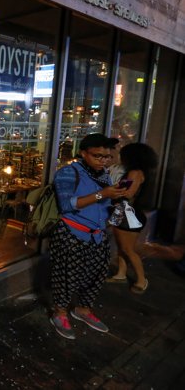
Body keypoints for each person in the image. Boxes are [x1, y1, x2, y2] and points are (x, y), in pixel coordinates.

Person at [49, 133, 127, 340]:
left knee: (96, 275)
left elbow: (105, 204)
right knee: (67, 276)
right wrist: (104, 194)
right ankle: (60, 313)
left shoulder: (104, 176)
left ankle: (83, 310)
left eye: (107, 157)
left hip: (98, 234)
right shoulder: (68, 172)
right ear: (84, 153)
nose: (103, 161)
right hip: (71, 233)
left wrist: (117, 202)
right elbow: (67, 205)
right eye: (97, 156)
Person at [106, 143, 159, 293]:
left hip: (128, 214)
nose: (121, 157)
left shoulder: (135, 172)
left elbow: (129, 194)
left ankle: (142, 280)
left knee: (128, 249)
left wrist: (110, 190)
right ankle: (120, 275)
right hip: (122, 212)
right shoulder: (138, 171)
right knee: (122, 247)